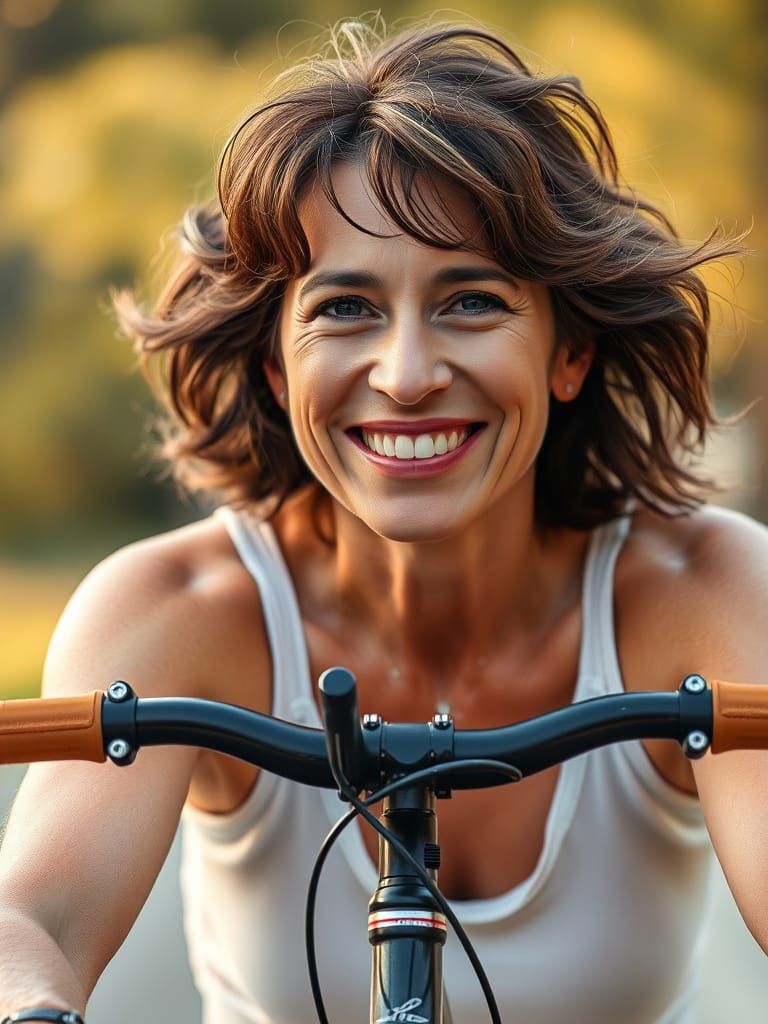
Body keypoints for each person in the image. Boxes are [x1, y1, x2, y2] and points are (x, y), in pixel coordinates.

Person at [0, 17, 764, 1024]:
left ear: (566, 352)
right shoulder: (175, 612)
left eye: (473, 302)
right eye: (345, 310)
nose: (405, 377)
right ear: (278, 364)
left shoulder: (701, 593)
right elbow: (34, 918)